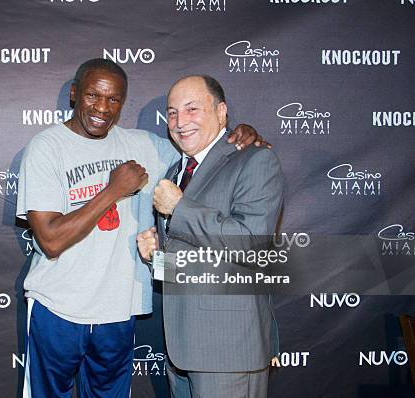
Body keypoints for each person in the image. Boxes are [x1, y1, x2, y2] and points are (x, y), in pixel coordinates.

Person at [16, 59, 266, 397]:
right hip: (57, 307)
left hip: (118, 312)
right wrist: (113, 191)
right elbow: (50, 240)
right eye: (92, 95)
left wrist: (239, 134)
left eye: (113, 99)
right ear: (74, 94)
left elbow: (203, 148)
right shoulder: (46, 147)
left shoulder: (147, 146)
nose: (102, 107)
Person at [137, 75, 284, 398]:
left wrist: (179, 208)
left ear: (221, 113)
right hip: (181, 349)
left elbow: (251, 244)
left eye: (192, 109)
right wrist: (155, 260)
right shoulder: (176, 172)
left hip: (228, 350)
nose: (179, 121)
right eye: (173, 113)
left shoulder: (255, 159)